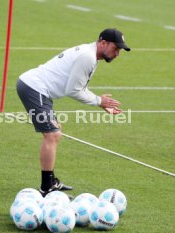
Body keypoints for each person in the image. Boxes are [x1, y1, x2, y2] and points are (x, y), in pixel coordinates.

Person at [16, 28, 131, 197]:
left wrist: (100, 102)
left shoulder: (91, 54)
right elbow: (73, 90)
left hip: (37, 88)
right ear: (103, 43)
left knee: (55, 131)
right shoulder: (88, 57)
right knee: (52, 134)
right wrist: (99, 101)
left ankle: (50, 180)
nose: (117, 54)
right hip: (35, 88)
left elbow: (78, 86)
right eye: (116, 48)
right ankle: (47, 187)